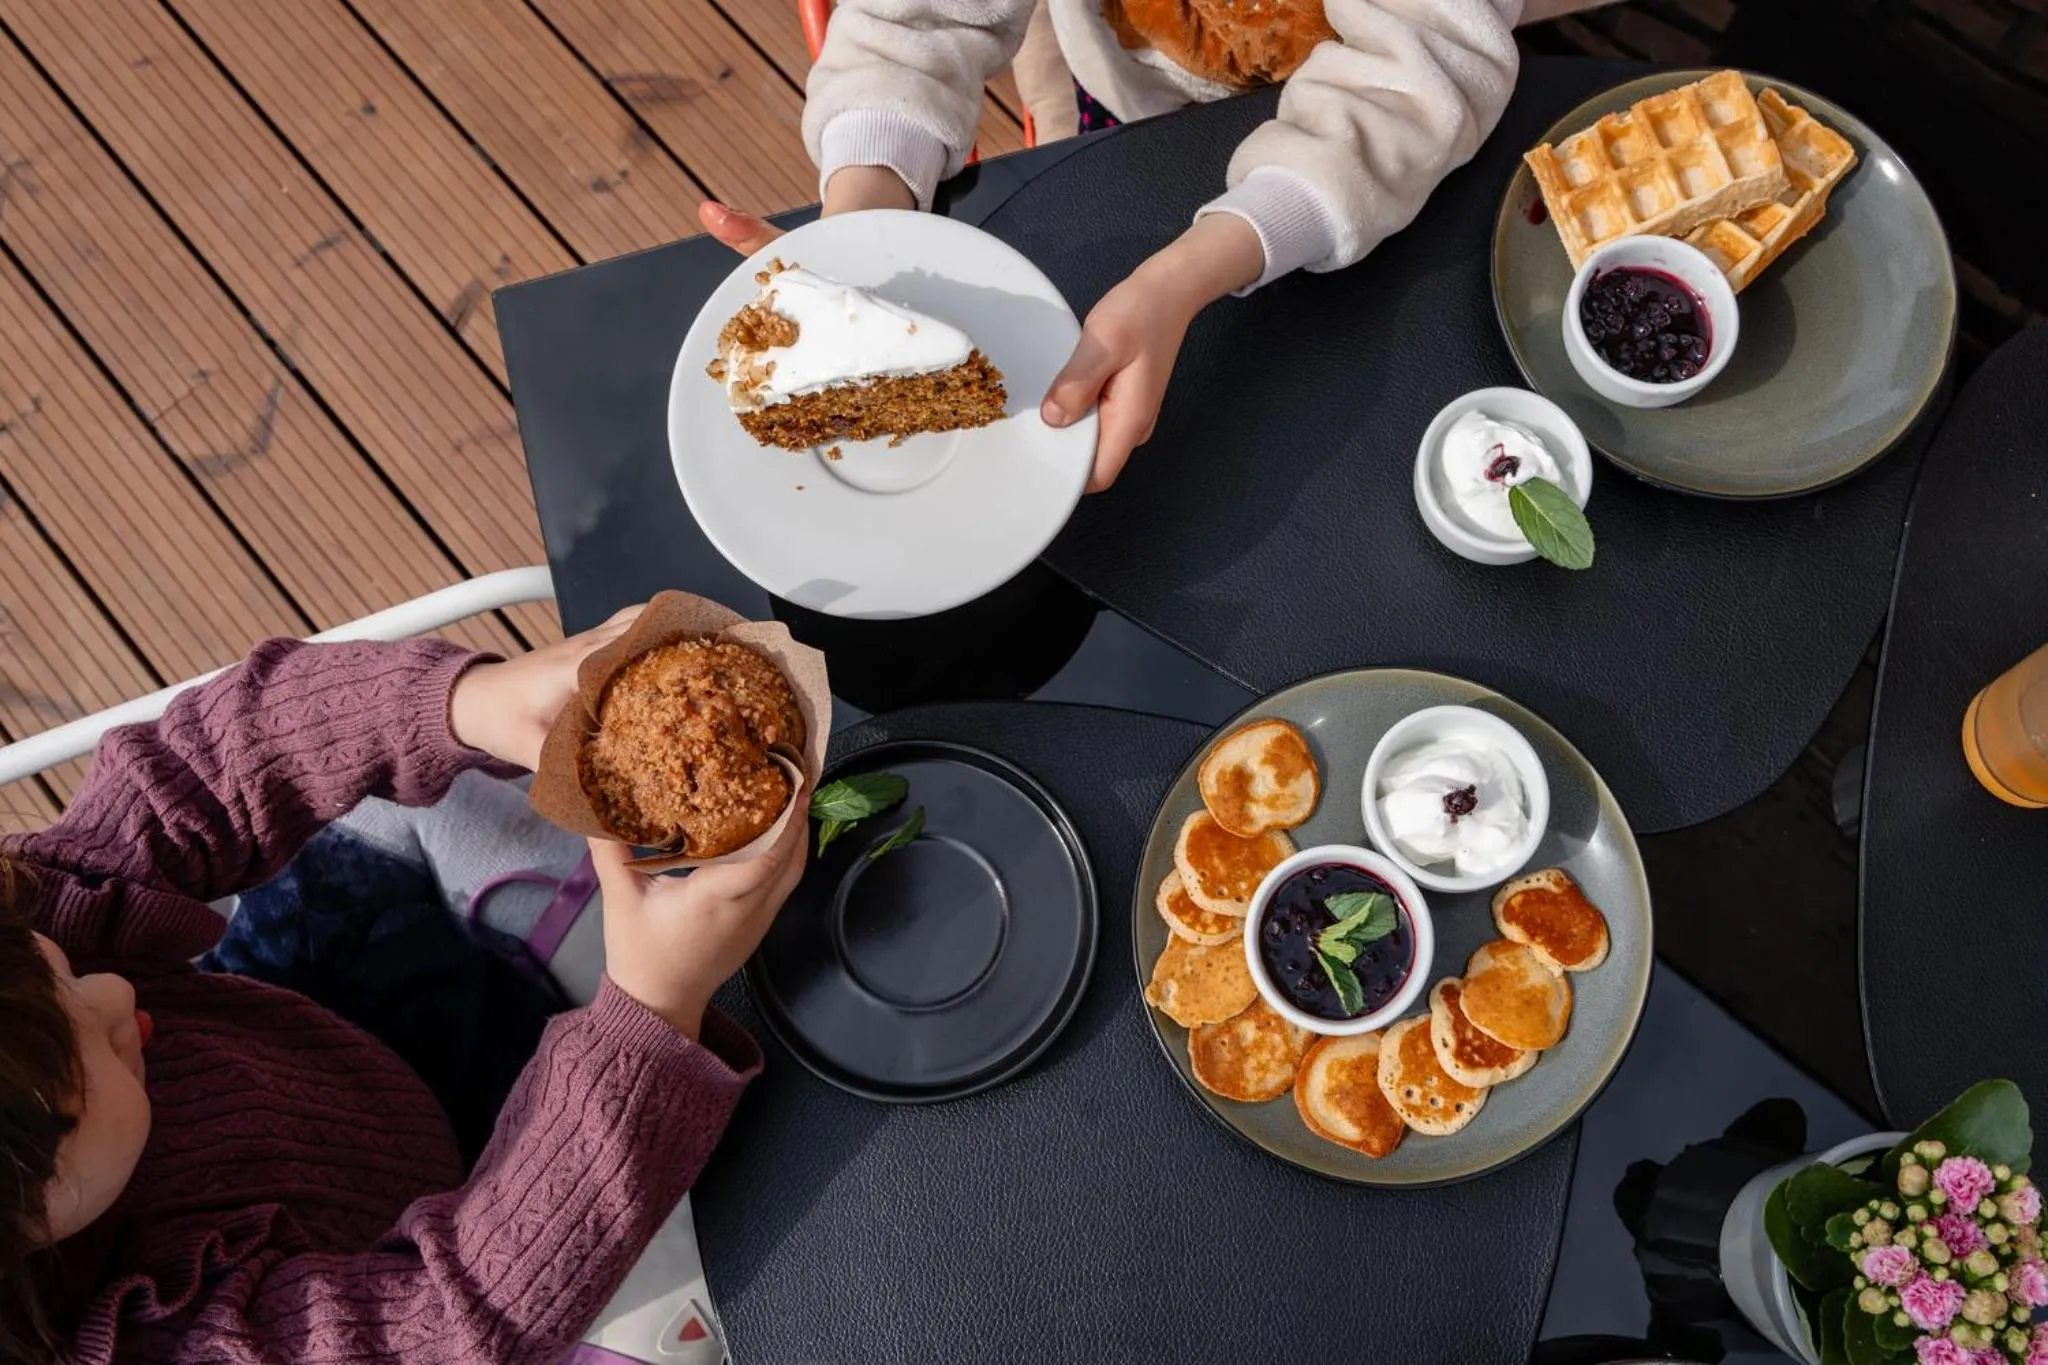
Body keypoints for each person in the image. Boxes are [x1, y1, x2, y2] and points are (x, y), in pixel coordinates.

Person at [0, 616, 806, 1364]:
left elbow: (213, 764)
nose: (109, 991)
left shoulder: (24, 930)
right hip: (447, 1270)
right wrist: (652, 1005)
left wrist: (466, 704)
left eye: (54, 968)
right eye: (86, 1059)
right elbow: (461, 1320)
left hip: (333, 1051)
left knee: (385, 811)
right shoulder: (178, 1343)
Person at [699, 0, 1522, 492]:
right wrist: (863, 216)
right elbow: (916, 21)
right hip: (1122, 97)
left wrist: (1190, 271)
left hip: (1364, 162)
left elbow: (1428, 60)